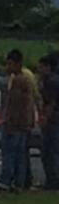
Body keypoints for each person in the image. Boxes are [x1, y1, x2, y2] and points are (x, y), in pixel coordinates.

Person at [0, 50, 36, 192]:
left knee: (10, 153)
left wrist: (11, 121)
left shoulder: (18, 81)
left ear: (18, 64)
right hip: (21, 123)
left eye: (10, 64)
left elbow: (16, 104)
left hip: (14, 123)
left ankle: (6, 181)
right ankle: (20, 181)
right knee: (20, 154)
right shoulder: (24, 79)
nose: (7, 67)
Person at [38, 52, 59, 190]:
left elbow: (51, 102)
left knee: (50, 151)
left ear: (47, 67)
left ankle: (53, 180)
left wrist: (45, 117)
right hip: (53, 119)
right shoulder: (49, 80)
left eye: (41, 67)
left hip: (53, 120)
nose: (39, 70)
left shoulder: (51, 81)